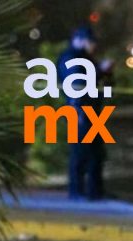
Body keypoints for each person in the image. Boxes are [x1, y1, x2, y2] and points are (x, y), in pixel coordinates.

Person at [57, 26, 107, 200]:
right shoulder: (71, 58)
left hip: (88, 111)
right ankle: (78, 191)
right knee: (81, 152)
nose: (93, 46)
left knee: (94, 153)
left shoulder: (82, 58)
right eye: (91, 42)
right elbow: (78, 84)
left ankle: (94, 191)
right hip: (80, 113)